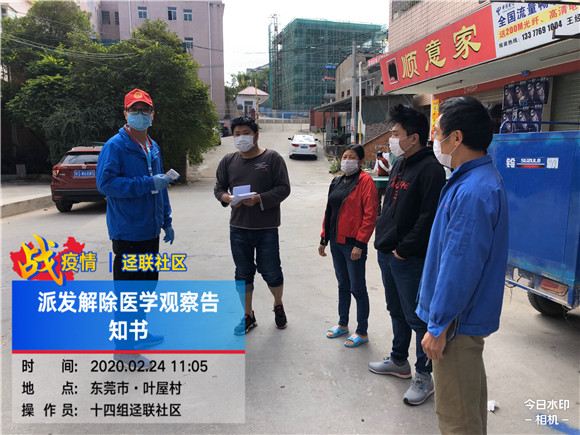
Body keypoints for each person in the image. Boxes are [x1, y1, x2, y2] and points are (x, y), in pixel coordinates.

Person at [417, 96, 508, 434]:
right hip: (461, 320)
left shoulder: (472, 191)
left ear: (456, 138)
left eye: (437, 133)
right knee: (468, 407)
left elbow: (460, 267)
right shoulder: (474, 180)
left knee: (457, 419)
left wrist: (438, 326)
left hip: (455, 324)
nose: (435, 141)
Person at [368, 104, 446, 406]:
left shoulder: (431, 169)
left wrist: (403, 250)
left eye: (396, 133)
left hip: (409, 258)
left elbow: (428, 218)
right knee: (396, 310)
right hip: (387, 252)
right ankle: (399, 360)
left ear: (413, 138)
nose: (391, 139)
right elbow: (390, 205)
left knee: (417, 318)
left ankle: (424, 375)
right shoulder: (401, 163)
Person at [97, 88, 175, 365]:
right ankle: (124, 350)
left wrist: (166, 220)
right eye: (135, 110)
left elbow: (161, 186)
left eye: (145, 110)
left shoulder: (153, 147)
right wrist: (146, 183)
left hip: (149, 230)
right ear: (126, 114)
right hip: (128, 231)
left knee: (146, 288)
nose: (140, 114)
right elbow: (106, 184)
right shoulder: (116, 146)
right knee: (128, 294)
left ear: (153, 114)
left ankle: (138, 334)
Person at [214, 116, 291, 335]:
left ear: (256, 135)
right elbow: (219, 188)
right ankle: (248, 315)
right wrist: (227, 198)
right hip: (238, 228)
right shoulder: (228, 161)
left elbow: (284, 188)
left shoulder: (272, 158)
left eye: (245, 133)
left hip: (266, 228)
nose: (241, 138)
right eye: (236, 134)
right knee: (242, 273)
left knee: (272, 272)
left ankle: (278, 304)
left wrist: (258, 199)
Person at [319, 145, 377, 347]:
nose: (347, 160)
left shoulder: (365, 182)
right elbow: (329, 211)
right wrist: (324, 238)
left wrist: (360, 244)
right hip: (336, 241)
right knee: (342, 285)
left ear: (360, 161)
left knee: (357, 288)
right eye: (344, 156)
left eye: (351, 157)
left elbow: (370, 215)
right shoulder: (336, 181)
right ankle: (343, 324)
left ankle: (362, 331)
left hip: (353, 244)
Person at [373, 150, 391, 215]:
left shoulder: (380, 160)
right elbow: (390, 165)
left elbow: (383, 166)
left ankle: (378, 211)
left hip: (381, 177)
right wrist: (389, 170)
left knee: (378, 195)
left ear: (378, 156)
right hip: (386, 177)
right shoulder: (386, 160)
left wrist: (387, 170)